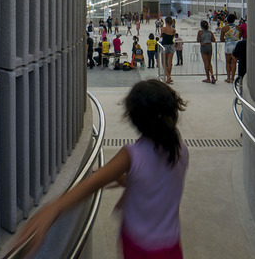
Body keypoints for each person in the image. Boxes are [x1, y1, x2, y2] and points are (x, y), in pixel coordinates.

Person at [10, 80, 189, 259]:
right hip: (171, 245)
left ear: (135, 119)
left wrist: (54, 208)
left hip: (139, 247)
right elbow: (158, 180)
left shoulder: (131, 155)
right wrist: (125, 182)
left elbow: (91, 185)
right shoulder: (181, 150)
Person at [220, 14, 241, 83]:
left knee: (228, 62)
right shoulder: (238, 28)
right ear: (234, 20)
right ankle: (232, 78)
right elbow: (239, 37)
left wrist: (227, 39)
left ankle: (228, 77)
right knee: (234, 62)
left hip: (228, 46)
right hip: (236, 46)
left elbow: (221, 39)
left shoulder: (224, 28)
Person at [161, 16, 176, 84]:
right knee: (170, 62)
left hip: (164, 46)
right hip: (171, 45)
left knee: (163, 62)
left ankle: (168, 76)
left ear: (166, 22)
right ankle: (168, 77)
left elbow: (161, 35)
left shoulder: (163, 29)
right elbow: (172, 37)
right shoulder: (173, 30)